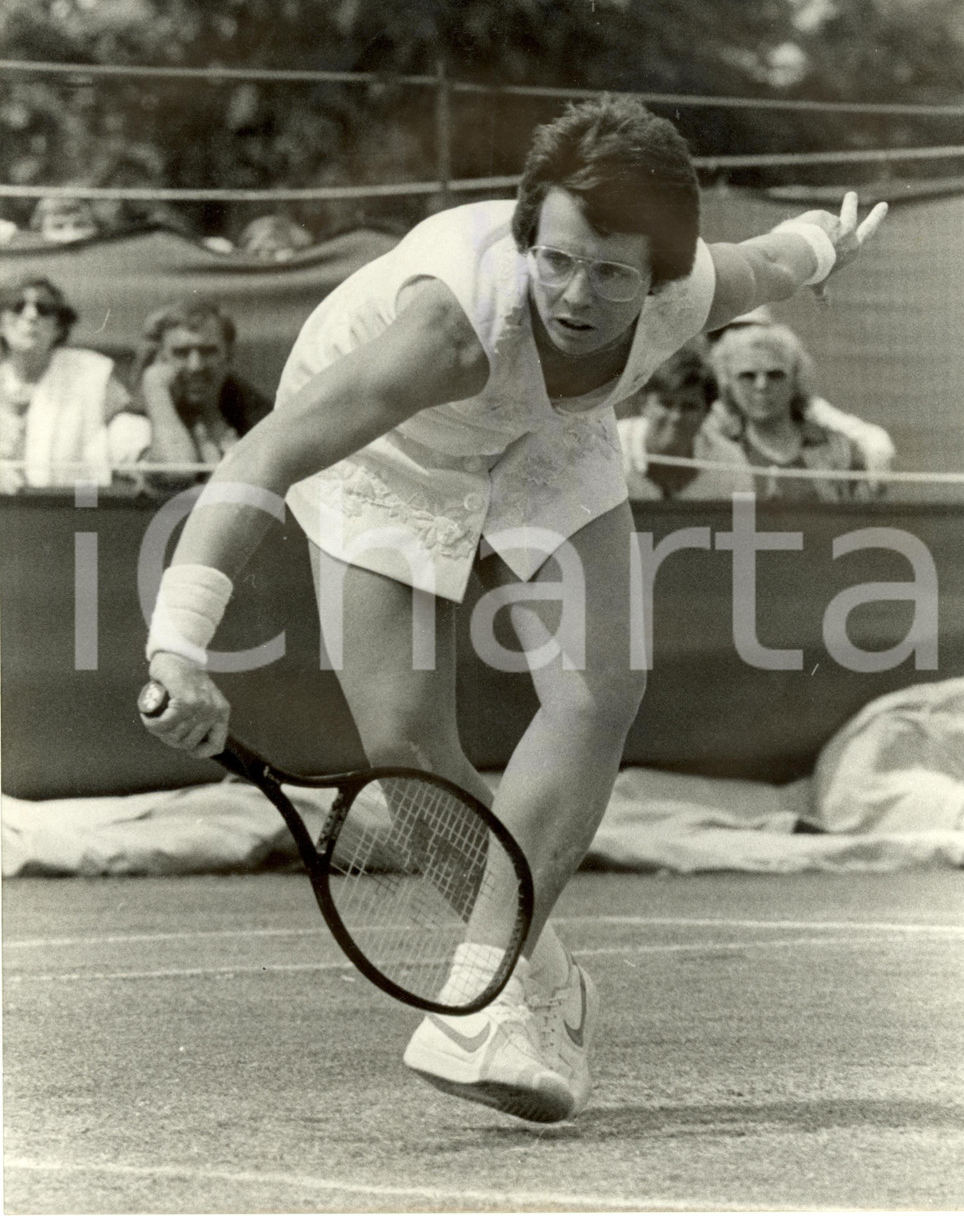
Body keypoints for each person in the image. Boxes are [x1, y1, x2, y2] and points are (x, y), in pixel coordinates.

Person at [140, 95, 887, 1123]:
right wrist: (178, 638)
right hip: (389, 448)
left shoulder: (681, 291)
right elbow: (263, 453)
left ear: (661, 275)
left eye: (615, 273)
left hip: (542, 436)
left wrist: (822, 239)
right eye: (559, 260)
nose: (580, 295)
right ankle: (541, 983)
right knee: (405, 747)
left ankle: (483, 986)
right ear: (529, 233)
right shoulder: (442, 330)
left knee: (598, 687)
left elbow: (768, 261)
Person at [699, 319, 877, 502]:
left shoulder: (839, 449)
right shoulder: (713, 449)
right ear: (727, 385)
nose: (762, 385)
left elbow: (862, 522)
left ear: (795, 380)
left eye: (775, 375)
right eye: (747, 376)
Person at [108, 299, 272, 487]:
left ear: (229, 356)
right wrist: (155, 386)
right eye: (181, 353)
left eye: (209, 351)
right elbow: (177, 471)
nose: (195, 366)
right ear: (161, 358)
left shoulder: (256, 420)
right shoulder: (132, 425)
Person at [0, 276, 128, 491]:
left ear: (59, 327)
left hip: (74, 509)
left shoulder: (92, 373)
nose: (31, 316)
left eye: (44, 309)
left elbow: (129, 433)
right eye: (17, 306)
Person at [617, 347, 725, 499]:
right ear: (644, 403)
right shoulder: (610, 450)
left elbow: (745, 521)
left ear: (706, 412)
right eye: (666, 404)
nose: (676, 417)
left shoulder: (729, 460)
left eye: (690, 406)